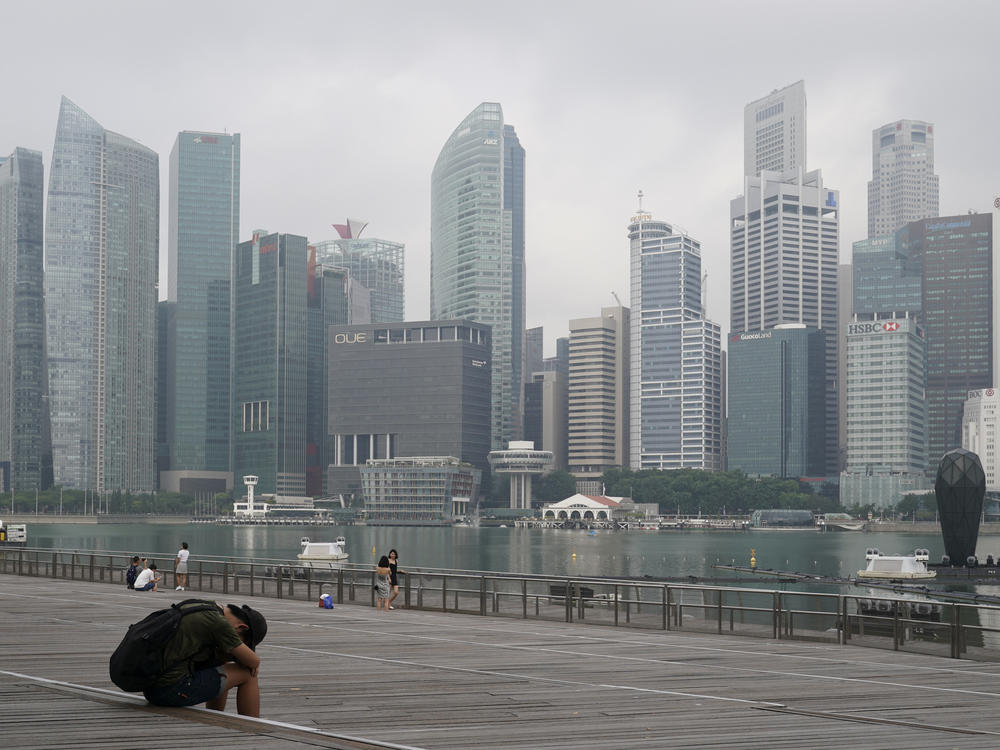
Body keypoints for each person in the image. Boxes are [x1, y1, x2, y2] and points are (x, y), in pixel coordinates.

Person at [143, 601, 267, 717]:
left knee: (220, 663)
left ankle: (215, 717)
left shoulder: (205, 607)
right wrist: (245, 661)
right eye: (244, 643)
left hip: (151, 688)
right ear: (241, 627)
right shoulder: (220, 624)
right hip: (170, 691)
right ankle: (252, 727)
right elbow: (254, 661)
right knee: (247, 673)